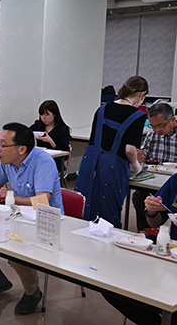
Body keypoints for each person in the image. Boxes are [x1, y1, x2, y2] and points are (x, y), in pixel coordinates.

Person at [0, 123, 63, 315]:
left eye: (3, 145)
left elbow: (43, 201)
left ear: (21, 149)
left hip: (45, 221)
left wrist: (9, 197)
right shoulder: (7, 161)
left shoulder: (43, 161)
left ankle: (33, 292)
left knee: (15, 251)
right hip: (17, 215)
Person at [100, 184, 177, 325]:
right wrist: (151, 210)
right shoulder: (175, 181)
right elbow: (154, 223)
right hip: (168, 257)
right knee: (111, 286)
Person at [75, 76, 147, 228]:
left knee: (83, 205)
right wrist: (136, 165)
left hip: (90, 162)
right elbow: (129, 149)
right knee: (108, 212)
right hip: (112, 167)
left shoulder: (102, 109)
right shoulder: (138, 115)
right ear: (142, 95)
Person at [132, 102, 177, 231]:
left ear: (172, 120)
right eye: (152, 126)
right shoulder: (152, 135)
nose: (157, 130)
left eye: (160, 126)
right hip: (155, 179)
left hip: (173, 182)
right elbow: (144, 157)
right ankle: (148, 232)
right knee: (139, 197)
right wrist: (140, 157)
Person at [29, 100, 71, 172]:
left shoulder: (62, 129)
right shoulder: (38, 125)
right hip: (39, 159)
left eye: (47, 115)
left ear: (54, 114)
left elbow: (64, 152)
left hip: (54, 162)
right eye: (41, 115)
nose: (43, 118)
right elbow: (25, 132)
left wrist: (51, 142)